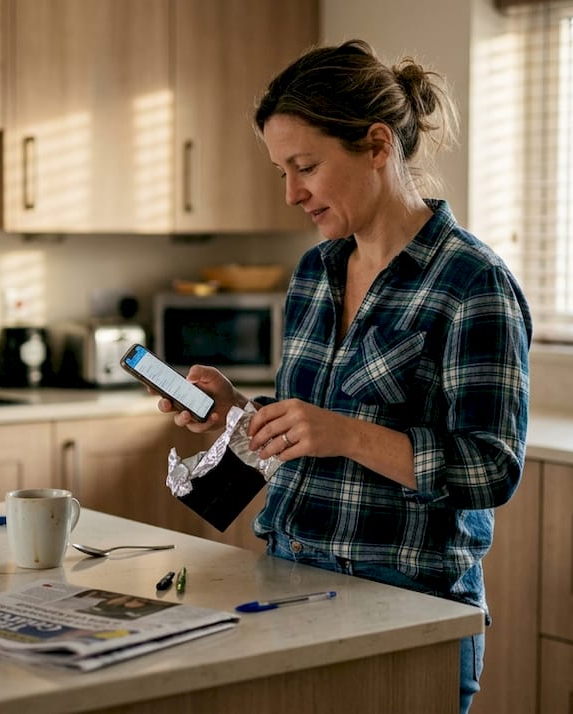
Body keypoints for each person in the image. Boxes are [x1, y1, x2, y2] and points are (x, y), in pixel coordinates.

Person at [154, 39, 530, 713]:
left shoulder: (473, 283)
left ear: (377, 146)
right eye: (281, 172)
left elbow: (490, 469)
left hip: (403, 607)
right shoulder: (314, 273)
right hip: (286, 579)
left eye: (306, 166)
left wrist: (347, 435)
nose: (293, 193)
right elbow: (313, 422)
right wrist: (238, 413)